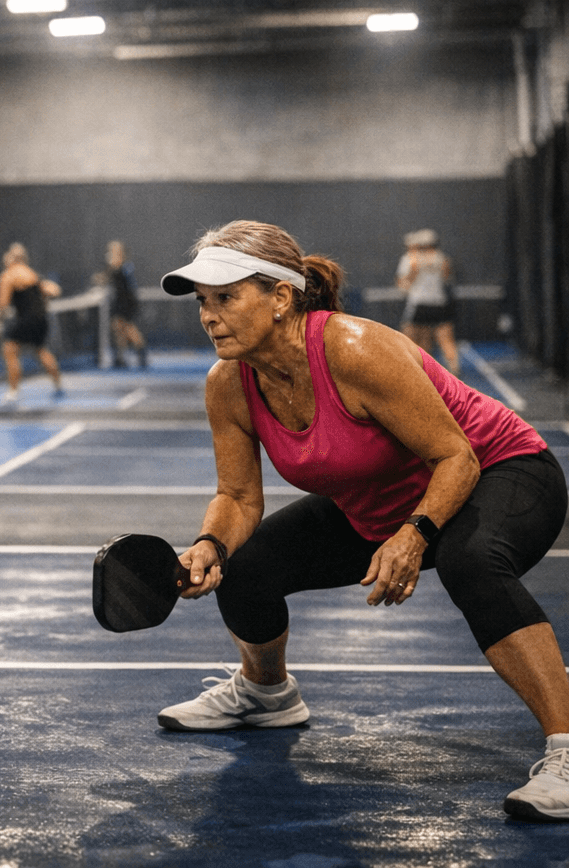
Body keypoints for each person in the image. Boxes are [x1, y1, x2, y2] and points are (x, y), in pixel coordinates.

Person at [154, 219, 569, 822]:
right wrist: (209, 545)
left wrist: (415, 533)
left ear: (280, 297)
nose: (209, 316)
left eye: (226, 297)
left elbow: (457, 457)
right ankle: (266, 693)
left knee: (470, 560)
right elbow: (239, 497)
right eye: (202, 302)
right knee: (250, 567)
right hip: (375, 498)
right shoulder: (229, 383)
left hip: (502, 470)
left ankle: (567, 748)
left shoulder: (353, 349)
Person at [0, 242, 63, 404]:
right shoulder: (32, 274)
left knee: (9, 349)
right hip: (41, 319)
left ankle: (13, 391)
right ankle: (58, 385)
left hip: (28, 319)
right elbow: (52, 291)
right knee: (41, 350)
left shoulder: (9, 275)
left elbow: (2, 303)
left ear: (12, 258)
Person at [397, 227, 462, 376]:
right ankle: (454, 368)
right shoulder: (442, 258)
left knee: (408, 338)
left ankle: (412, 370)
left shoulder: (412, 259)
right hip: (439, 303)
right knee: (445, 339)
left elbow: (404, 283)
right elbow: (447, 278)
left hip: (420, 304)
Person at [97, 239, 148, 369]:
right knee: (117, 327)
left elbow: (114, 276)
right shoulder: (118, 265)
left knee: (128, 328)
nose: (110, 251)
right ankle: (120, 357)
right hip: (120, 300)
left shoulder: (122, 264)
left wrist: (103, 276)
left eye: (114, 249)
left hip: (126, 301)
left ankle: (141, 353)